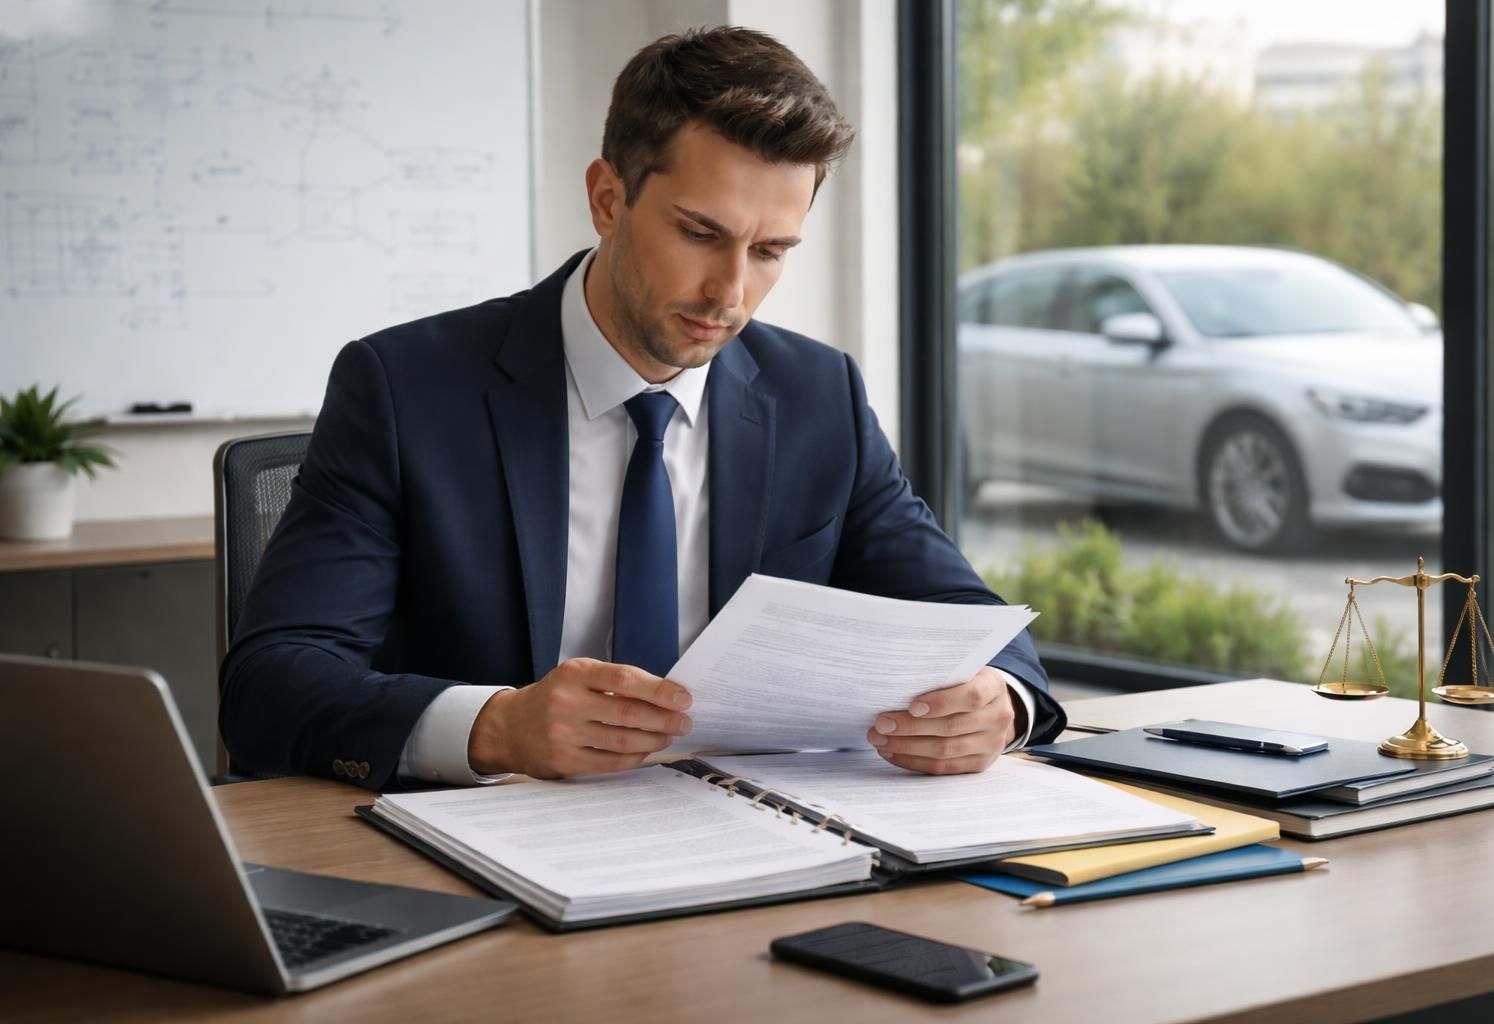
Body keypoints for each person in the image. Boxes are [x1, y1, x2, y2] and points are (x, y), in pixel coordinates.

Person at [220, 26, 1064, 791]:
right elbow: (272, 683)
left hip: (750, 842)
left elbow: (975, 622)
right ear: (608, 198)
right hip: (491, 846)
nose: (731, 294)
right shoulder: (405, 388)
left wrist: (1001, 700)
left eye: (770, 251)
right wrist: (497, 725)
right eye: (700, 233)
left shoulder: (819, 397)